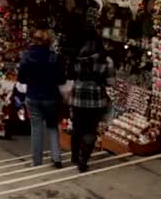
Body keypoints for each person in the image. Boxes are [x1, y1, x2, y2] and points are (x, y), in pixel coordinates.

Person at [18, 30, 65, 168]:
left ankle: (37, 161)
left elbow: (21, 78)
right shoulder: (54, 57)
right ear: (49, 42)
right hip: (50, 95)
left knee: (36, 128)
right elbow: (61, 79)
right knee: (52, 126)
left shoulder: (26, 56)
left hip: (33, 95)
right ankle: (56, 157)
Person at [70, 27, 115, 173]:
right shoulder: (105, 59)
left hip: (77, 98)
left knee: (77, 126)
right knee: (90, 129)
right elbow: (110, 82)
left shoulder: (76, 56)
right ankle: (83, 160)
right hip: (96, 101)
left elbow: (70, 74)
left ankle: (75, 156)